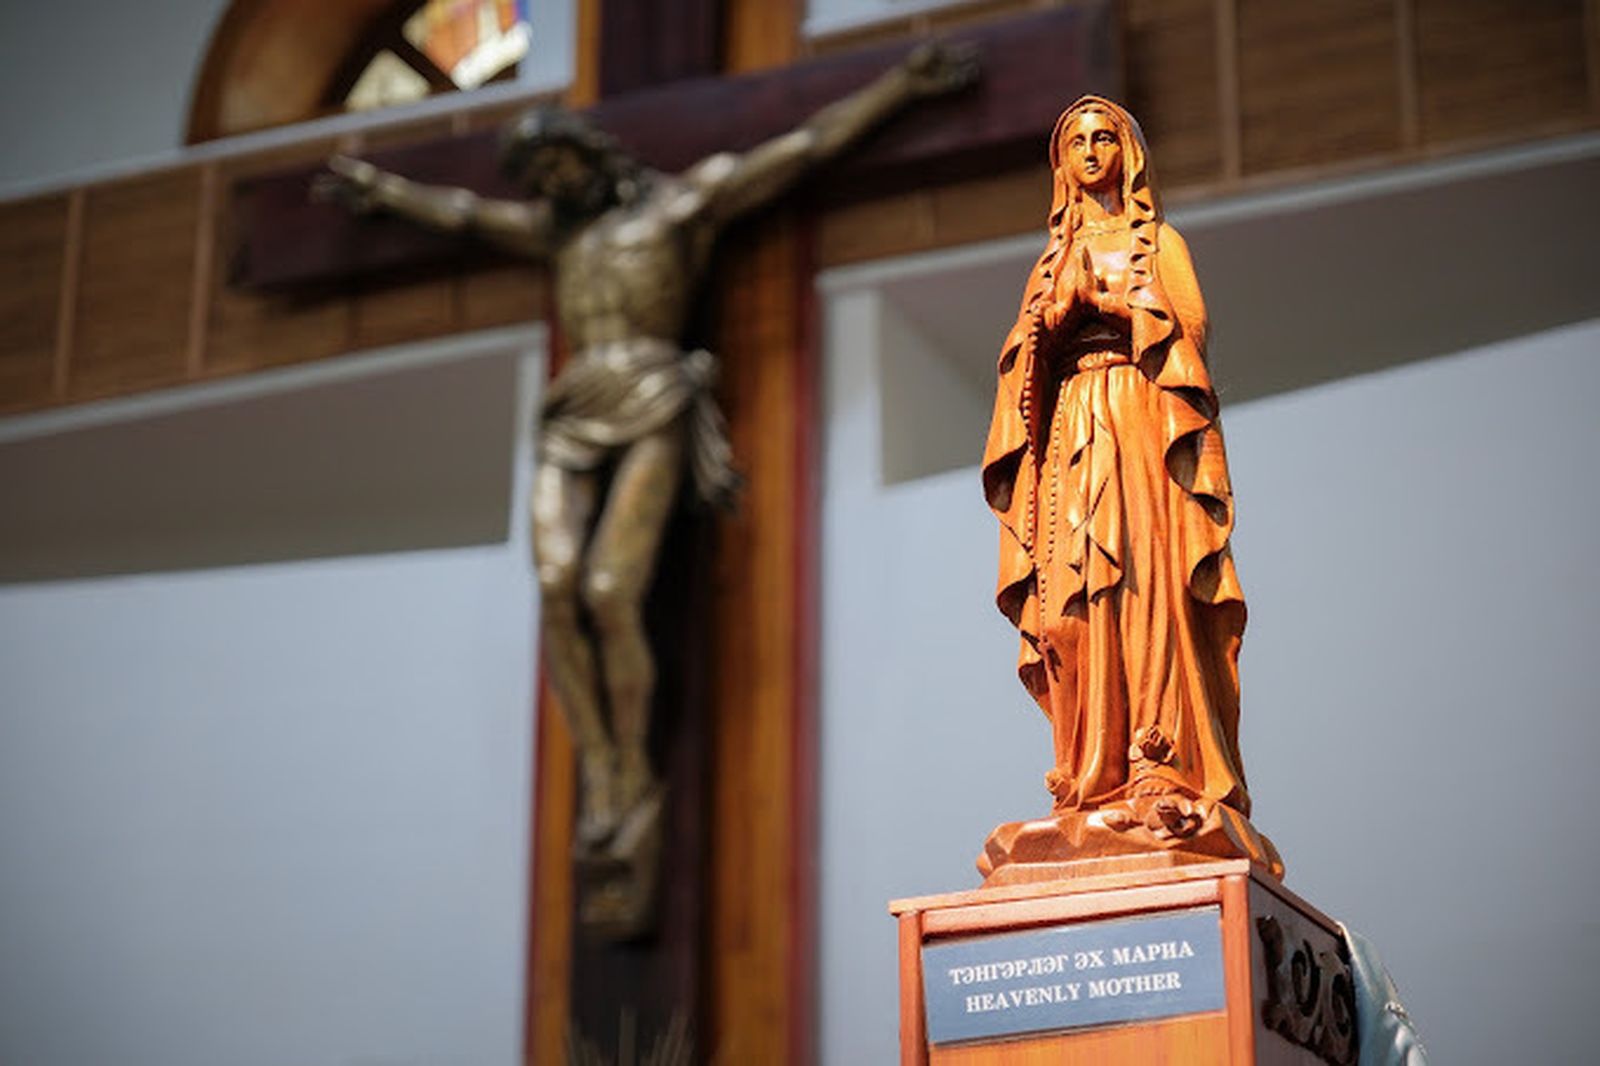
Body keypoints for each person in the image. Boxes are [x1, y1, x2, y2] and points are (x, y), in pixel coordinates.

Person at [319, 44, 978, 878]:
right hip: (572, 409)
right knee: (557, 583)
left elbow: (803, 149)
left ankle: (631, 758)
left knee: (607, 590)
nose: (553, 185)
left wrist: (898, 88)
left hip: (655, 394)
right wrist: (384, 192)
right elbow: (461, 214)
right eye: (540, 177)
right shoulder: (559, 239)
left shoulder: (680, 209)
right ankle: (604, 762)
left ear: (592, 152)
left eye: (560, 163)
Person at [982, 95, 1249, 838]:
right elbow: (1019, 368)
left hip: (1136, 419)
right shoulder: (1048, 261)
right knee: (1068, 607)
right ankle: (1090, 772)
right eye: (1079, 142)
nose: (1093, 151)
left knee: (1142, 589)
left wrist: (1107, 300)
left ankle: (1159, 759)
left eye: (1106, 138)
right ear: (1063, 162)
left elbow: (1188, 328)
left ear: (1127, 153)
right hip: (1072, 429)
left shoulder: (1156, 241)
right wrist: (1048, 326)